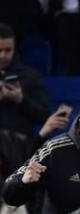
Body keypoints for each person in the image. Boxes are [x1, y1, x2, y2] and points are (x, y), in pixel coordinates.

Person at [0, 23, 49, 172]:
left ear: (15, 48)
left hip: (20, 148)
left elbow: (44, 117)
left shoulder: (30, 76)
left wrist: (20, 100)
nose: (3, 55)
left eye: (8, 50)